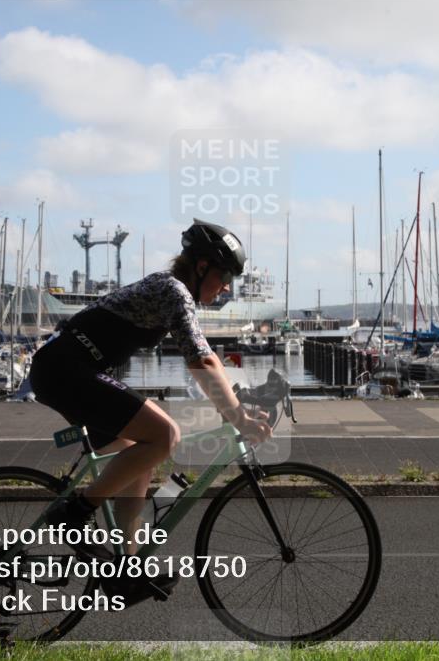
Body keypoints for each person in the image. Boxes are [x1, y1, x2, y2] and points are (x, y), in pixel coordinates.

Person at [29, 219, 273, 600]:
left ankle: (125, 572)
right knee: (165, 434)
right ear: (202, 266)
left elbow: (205, 355)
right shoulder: (173, 291)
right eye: (225, 275)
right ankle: (74, 512)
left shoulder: (173, 291)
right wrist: (237, 416)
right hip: (65, 370)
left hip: (69, 370)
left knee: (140, 458)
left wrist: (236, 400)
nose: (227, 286)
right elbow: (202, 362)